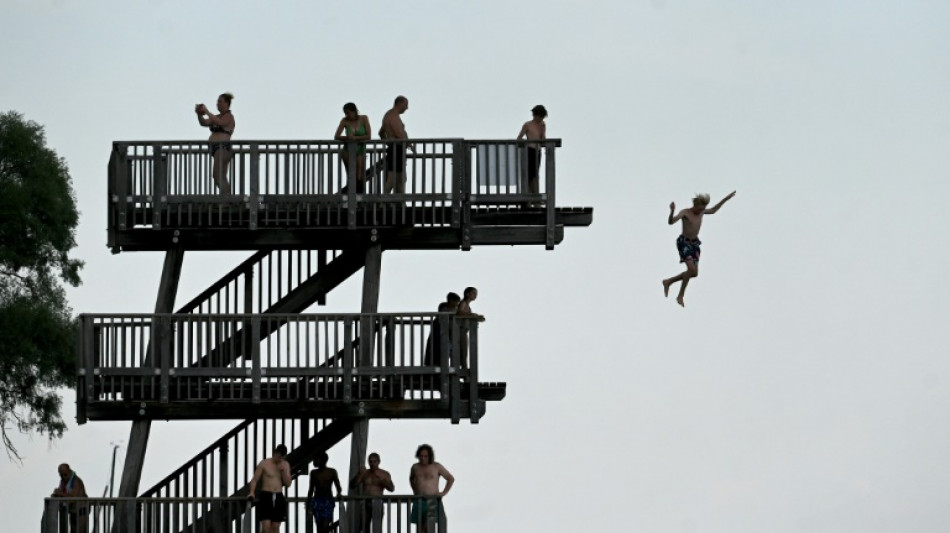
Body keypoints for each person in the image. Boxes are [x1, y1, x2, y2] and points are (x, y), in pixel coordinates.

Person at [662, 191, 737, 307]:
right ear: (695, 205)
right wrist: (671, 212)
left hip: (695, 244)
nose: (700, 212)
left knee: (694, 273)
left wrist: (725, 199)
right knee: (691, 269)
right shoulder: (685, 212)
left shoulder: (701, 212)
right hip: (684, 243)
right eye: (699, 209)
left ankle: (668, 281)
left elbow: (712, 210)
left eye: (702, 209)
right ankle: (680, 295)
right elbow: (671, 222)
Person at [195, 92, 235, 195]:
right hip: (217, 149)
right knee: (220, 175)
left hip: (223, 148)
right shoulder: (216, 116)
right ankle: (226, 198)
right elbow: (204, 123)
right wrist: (199, 114)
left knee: (217, 175)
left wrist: (207, 111)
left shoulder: (229, 116)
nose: (218, 104)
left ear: (227, 103)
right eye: (217, 102)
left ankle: (226, 198)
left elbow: (220, 123)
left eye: (220, 102)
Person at [248, 444, 293, 533]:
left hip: (278, 495)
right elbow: (254, 480)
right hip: (266, 495)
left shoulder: (285, 464)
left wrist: (283, 471)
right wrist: (252, 492)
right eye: (279, 456)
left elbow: (288, 484)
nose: (279, 459)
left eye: (282, 457)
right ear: (275, 453)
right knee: (266, 527)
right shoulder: (264, 463)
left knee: (275, 527)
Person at [409, 444, 453, 533]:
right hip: (419, 500)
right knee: (420, 528)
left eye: (425, 456)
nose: (423, 458)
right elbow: (411, 479)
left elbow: (450, 478)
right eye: (421, 456)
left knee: (428, 526)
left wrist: (443, 492)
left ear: (430, 456)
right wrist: (415, 491)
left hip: (431, 500)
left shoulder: (436, 466)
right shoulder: (415, 467)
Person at [350, 452, 395, 533]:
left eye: (374, 461)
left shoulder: (384, 474)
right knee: (364, 526)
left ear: (378, 462)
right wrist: (359, 474)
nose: (372, 464)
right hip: (365, 501)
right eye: (370, 461)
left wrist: (382, 480)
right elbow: (352, 485)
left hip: (377, 501)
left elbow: (391, 488)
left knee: (377, 527)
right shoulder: (365, 473)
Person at [334, 103, 372, 193]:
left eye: (348, 113)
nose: (347, 115)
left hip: (360, 149)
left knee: (360, 175)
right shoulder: (344, 121)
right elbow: (336, 136)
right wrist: (347, 138)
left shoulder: (364, 118)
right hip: (348, 150)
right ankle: (351, 195)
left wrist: (355, 138)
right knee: (351, 174)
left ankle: (360, 195)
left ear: (354, 111)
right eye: (345, 113)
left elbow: (368, 136)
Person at [378, 96, 411, 194]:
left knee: (401, 178)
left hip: (396, 148)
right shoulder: (393, 116)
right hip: (397, 148)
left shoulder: (388, 115)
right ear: (399, 103)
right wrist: (409, 144)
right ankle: (384, 202)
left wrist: (387, 141)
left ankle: (399, 202)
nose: (407, 108)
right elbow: (399, 134)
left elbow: (381, 133)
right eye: (406, 104)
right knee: (392, 179)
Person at [517, 105, 547, 197]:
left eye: (542, 117)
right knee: (529, 175)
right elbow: (519, 138)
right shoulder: (527, 124)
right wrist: (526, 143)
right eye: (539, 116)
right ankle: (530, 197)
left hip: (537, 151)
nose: (540, 118)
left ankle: (535, 197)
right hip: (529, 150)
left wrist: (542, 129)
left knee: (535, 175)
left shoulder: (542, 125)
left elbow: (543, 139)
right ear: (535, 115)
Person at [307, 452, 342, 533]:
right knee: (319, 526)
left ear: (322, 460)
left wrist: (339, 493)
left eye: (316, 460)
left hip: (328, 500)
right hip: (317, 501)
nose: (314, 462)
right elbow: (311, 489)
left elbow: (338, 486)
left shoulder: (332, 472)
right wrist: (309, 504)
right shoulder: (313, 473)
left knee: (325, 525)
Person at [425, 292, 461, 367]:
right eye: (455, 302)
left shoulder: (452, 309)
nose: (456, 305)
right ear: (451, 301)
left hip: (447, 335)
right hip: (440, 335)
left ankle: (446, 367)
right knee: (438, 353)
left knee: (448, 352)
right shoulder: (445, 309)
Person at [52, 463, 88, 533]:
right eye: (61, 475)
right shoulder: (63, 482)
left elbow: (72, 498)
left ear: (69, 471)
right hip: (73, 512)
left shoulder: (76, 481)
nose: (63, 477)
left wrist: (60, 494)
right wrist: (56, 495)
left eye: (65, 475)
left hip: (81, 512)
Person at [456, 287, 485, 369]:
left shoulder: (467, 305)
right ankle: (464, 370)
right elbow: (460, 312)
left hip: (464, 330)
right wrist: (471, 315)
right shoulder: (463, 303)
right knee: (463, 351)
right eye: (473, 293)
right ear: (467, 294)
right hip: (460, 330)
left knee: (464, 352)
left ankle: (464, 369)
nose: (475, 295)